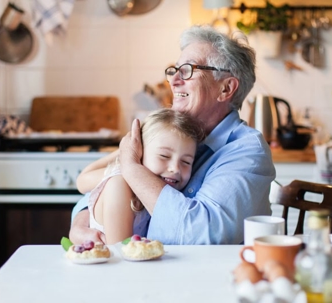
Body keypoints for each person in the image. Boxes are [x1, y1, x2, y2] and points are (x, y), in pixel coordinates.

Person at [70, 25, 276, 245]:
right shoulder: (170, 135)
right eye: (174, 69)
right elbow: (104, 189)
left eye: (188, 70)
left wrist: (132, 169)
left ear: (225, 89)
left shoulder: (247, 151)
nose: (173, 80)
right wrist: (83, 222)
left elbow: (200, 236)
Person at [76, 108, 204, 244]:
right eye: (164, 156)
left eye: (186, 162)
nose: (175, 168)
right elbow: (122, 252)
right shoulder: (119, 184)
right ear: (140, 152)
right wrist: (125, 151)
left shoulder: (168, 193)